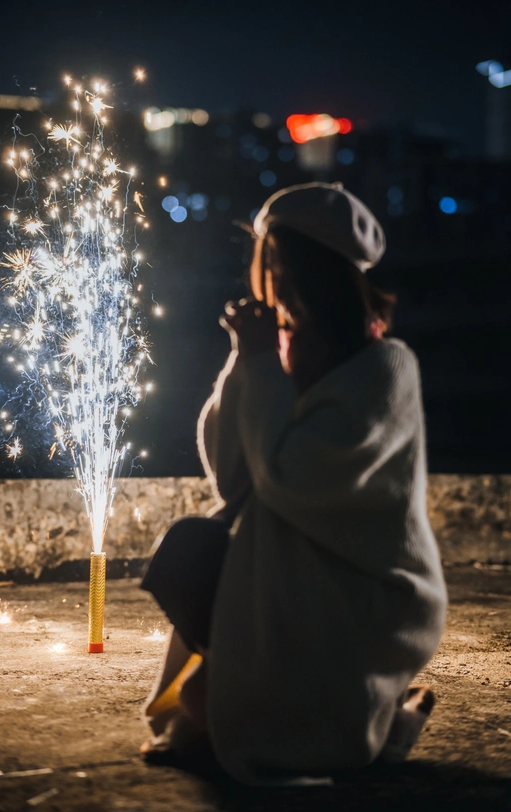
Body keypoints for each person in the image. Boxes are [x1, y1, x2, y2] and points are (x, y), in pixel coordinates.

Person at [140, 182, 447, 785]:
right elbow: (233, 476)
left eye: (283, 265)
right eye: (268, 266)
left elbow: (289, 477)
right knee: (190, 561)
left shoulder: (385, 366)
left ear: (317, 271)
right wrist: (245, 361)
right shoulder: (283, 354)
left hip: (355, 587)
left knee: (213, 717)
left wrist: (260, 365)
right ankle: (376, 720)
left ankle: (381, 724)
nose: (273, 281)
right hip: (283, 582)